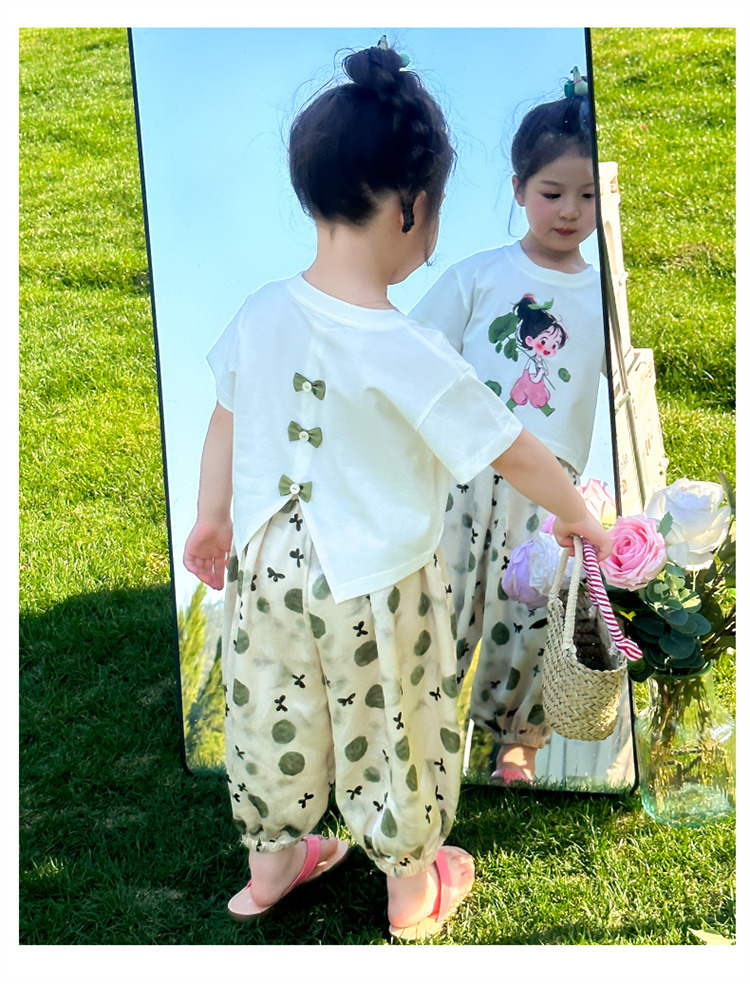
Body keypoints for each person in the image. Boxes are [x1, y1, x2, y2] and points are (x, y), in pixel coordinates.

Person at [183, 45, 610, 942]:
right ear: (412, 207)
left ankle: (271, 865)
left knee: (272, 702)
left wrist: (211, 519)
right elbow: (514, 449)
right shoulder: (407, 348)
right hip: (378, 581)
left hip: (267, 566)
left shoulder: (261, 309)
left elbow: (225, 416)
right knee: (397, 724)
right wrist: (580, 517)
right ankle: (411, 889)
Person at [410, 87, 605, 785]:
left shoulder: (605, 295)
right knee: (444, 595)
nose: (569, 210)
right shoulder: (480, 275)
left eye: (587, 195)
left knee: (535, 609)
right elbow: (414, 353)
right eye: (552, 193)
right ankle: (421, 732)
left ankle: (516, 742)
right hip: (463, 470)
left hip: (548, 482)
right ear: (519, 188)